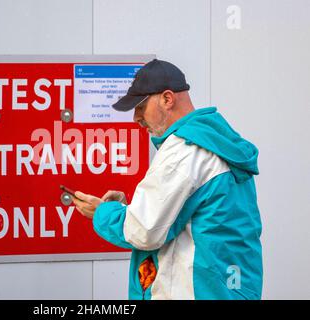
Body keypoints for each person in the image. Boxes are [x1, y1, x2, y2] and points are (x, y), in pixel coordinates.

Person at [72, 59, 263, 300]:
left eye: (140, 106)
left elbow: (144, 230)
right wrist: (127, 208)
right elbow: (188, 218)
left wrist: (102, 212)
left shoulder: (184, 149)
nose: (136, 118)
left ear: (167, 99)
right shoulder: (216, 143)